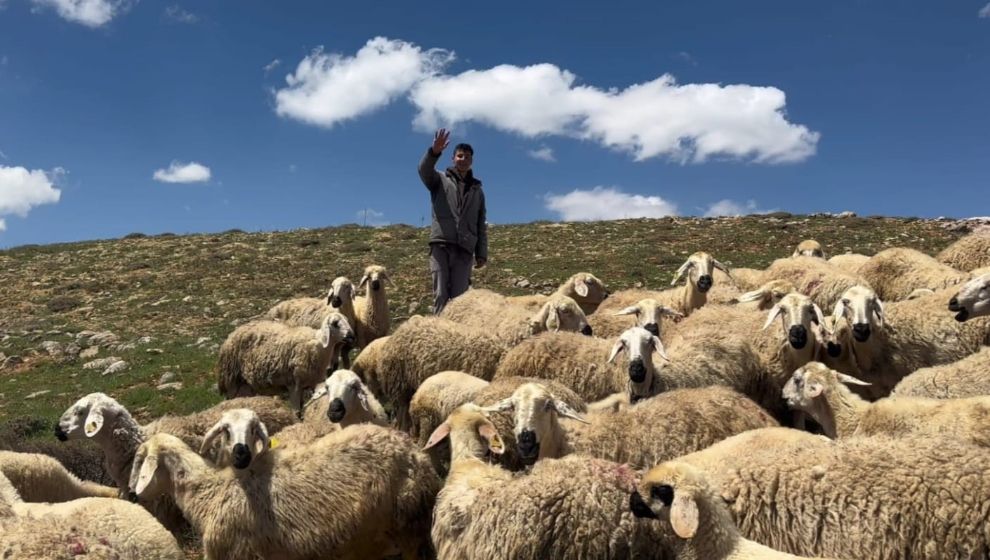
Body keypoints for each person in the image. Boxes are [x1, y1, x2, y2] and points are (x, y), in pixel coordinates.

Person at [418, 128, 488, 314]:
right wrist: (434, 152)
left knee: (460, 299)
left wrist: (481, 253)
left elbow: (481, 223)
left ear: (471, 160)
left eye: (467, 157)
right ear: (453, 158)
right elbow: (423, 170)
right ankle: (440, 336)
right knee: (440, 294)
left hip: (465, 250)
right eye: (459, 156)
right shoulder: (439, 180)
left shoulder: (477, 191)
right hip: (441, 245)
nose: (463, 159)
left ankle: (457, 338)